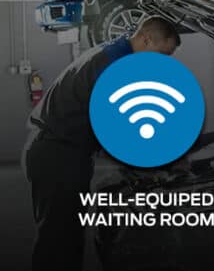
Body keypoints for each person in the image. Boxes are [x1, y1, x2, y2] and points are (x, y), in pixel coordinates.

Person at [23, 17, 181, 271]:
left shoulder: (113, 52)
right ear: (146, 39)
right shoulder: (115, 66)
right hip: (57, 153)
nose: (163, 62)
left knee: (66, 235)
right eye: (163, 54)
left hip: (59, 150)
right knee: (58, 238)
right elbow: (121, 131)